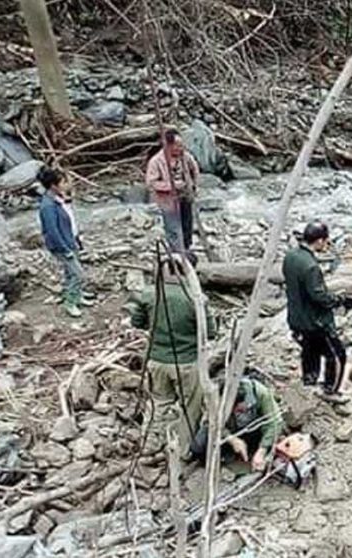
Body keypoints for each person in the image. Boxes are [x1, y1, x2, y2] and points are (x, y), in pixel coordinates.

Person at [127, 254, 216, 456]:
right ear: (190, 271)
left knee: (158, 404)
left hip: (156, 360)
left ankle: (148, 443)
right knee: (190, 408)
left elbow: (137, 322)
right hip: (186, 362)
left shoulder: (149, 293)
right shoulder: (196, 298)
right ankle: (183, 450)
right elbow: (210, 332)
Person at [282, 222, 352, 397]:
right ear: (318, 241)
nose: (326, 244)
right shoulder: (311, 266)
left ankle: (309, 383)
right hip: (315, 321)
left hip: (296, 317)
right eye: (325, 241)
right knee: (337, 355)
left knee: (309, 352)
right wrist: (341, 299)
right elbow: (319, 297)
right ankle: (330, 391)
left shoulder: (290, 257)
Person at [190, 377, 283, 472]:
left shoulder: (261, 393)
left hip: (252, 429)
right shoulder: (216, 396)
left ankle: (253, 454)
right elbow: (210, 422)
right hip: (229, 430)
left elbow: (275, 421)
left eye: (239, 409)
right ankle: (228, 456)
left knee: (272, 439)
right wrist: (232, 439)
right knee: (198, 448)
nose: (236, 412)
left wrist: (262, 450)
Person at [38, 168, 93, 318]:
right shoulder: (48, 206)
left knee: (70, 273)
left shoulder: (58, 199)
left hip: (70, 240)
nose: (65, 184)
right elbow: (52, 230)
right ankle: (70, 303)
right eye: (62, 182)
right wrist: (64, 248)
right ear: (53, 185)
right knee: (78, 274)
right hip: (62, 245)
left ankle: (77, 296)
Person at [146, 129, 200, 264]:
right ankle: (177, 256)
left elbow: (195, 170)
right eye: (178, 145)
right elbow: (151, 183)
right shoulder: (156, 161)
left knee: (187, 225)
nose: (181, 148)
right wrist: (172, 185)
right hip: (168, 200)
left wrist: (193, 185)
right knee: (173, 228)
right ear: (168, 145)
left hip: (185, 196)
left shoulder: (185, 157)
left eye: (181, 145)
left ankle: (186, 250)